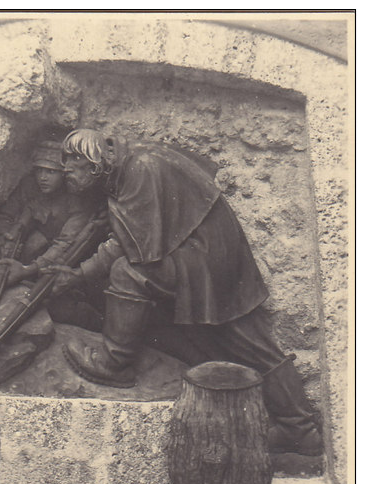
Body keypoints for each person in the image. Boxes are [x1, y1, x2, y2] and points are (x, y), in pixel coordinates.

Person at [41, 129, 321, 456]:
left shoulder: (138, 169)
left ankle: (114, 363)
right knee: (243, 343)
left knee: (128, 275)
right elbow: (134, 234)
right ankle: (299, 429)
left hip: (205, 258)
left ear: (90, 164)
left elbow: (134, 249)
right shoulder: (124, 166)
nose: (67, 178)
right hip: (199, 253)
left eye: (71, 170)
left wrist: (78, 275)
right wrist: (78, 272)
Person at [0, 140, 108, 274]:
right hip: (29, 245)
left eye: (51, 172)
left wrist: (31, 269)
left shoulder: (77, 198)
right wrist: (3, 240)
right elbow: (5, 215)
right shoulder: (29, 186)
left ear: (64, 174)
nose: (43, 177)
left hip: (62, 257)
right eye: (39, 170)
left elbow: (65, 243)